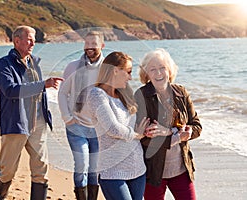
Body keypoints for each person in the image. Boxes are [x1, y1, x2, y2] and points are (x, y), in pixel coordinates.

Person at [0, 25, 63, 200]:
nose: (33, 43)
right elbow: (10, 90)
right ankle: (1, 196)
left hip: (38, 122)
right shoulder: (4, 63)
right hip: (16, 121)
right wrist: (43, 85)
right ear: (17, 41)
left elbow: (37, 92)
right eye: (29, 39)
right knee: (8, 168)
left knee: (41, 166)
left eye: (34, 39)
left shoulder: (34, 62)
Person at [134, 48, 202, 200]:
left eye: (162, 68)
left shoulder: (181, 92)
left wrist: (183, 132)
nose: (158, 73)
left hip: (181, 169)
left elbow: (197, 126)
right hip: (153, 172)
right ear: (146, 74)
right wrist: (177, 135)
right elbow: (145, 138)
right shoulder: (141, 96)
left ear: (169, 70)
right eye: (153, 69)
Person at [86, 51, 149, 200]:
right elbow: (112, 128)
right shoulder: (96, 95)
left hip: (138, 169)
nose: (130, 77)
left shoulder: (125, 94)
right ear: (115, 70)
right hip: (112, 172)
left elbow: (136, 124)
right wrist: (136, 135)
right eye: (128, 72)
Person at [58, 31, 105, 199]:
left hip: (99, 129)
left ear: (102, 46)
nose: (89, 47)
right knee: (81, 165)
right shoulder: (72, 66)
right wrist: (67, 118)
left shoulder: (108, 69)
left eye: (94, 44)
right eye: (87, 44)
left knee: (95, 170)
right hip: (76, 126)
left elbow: (116, 96)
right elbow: (63, 93)